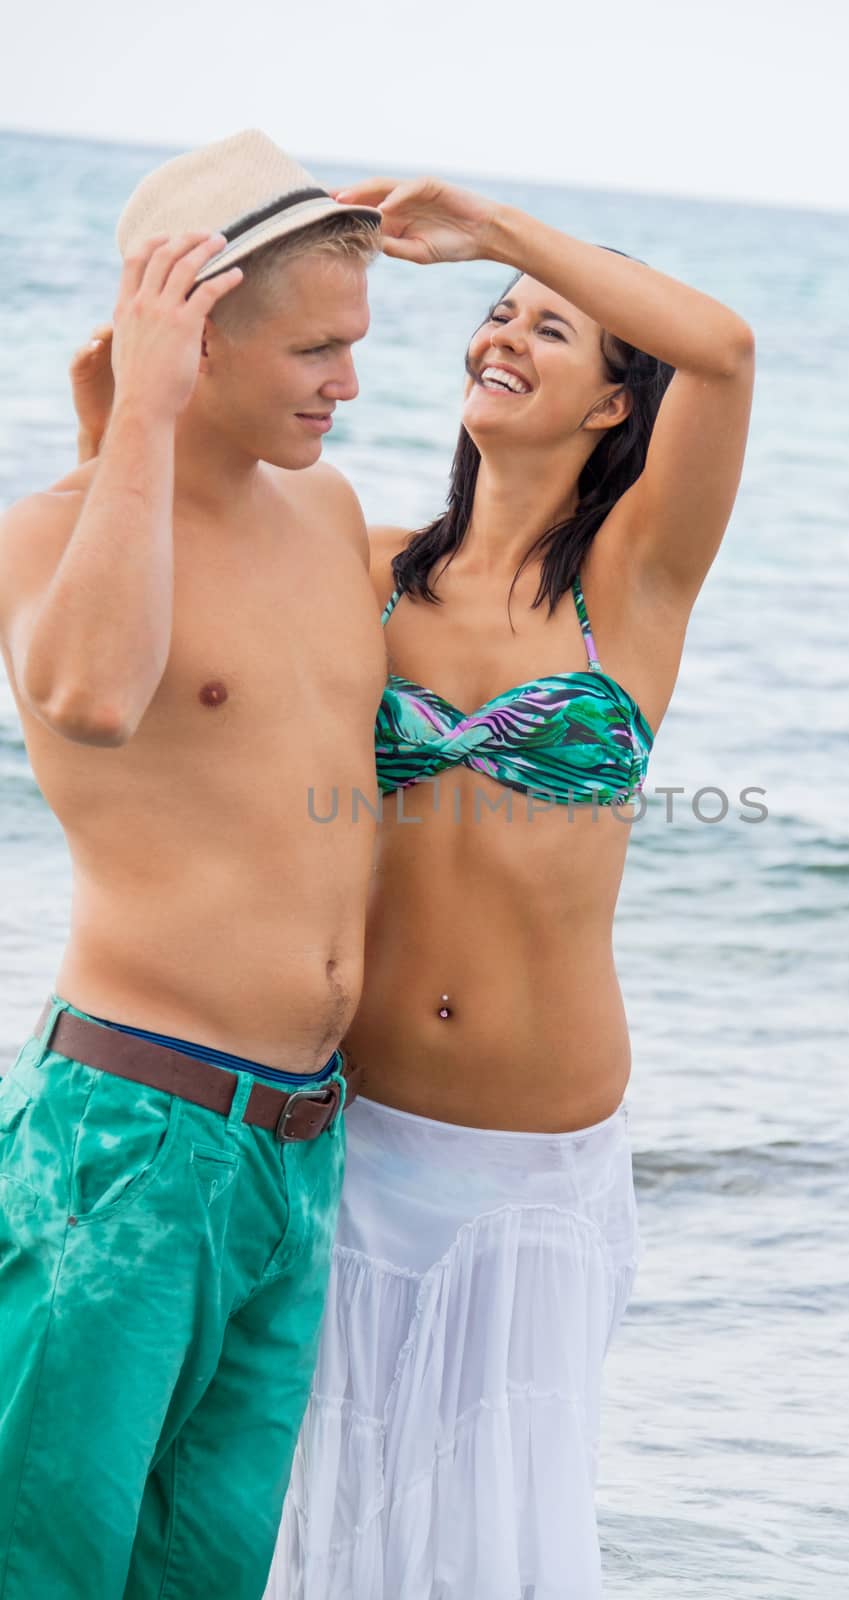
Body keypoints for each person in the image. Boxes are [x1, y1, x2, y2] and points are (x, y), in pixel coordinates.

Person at [72, 174, 755, 1599]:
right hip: (353, 1141)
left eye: (547, 332)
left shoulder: (630, 586)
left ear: (613, 406)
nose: (498, 337)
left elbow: (724, 350)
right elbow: (184, 589)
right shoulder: (368, 568)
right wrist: (123, 403)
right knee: (336, 1536)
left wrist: (502, 233)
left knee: (495, 1543)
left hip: (534, 1173)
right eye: (494, 317)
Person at [0, 130, 383, 1600]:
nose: (346, 384)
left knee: (208, 1572)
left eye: (355, 346)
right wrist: (136, 422)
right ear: (194, 333)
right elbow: (93, 698)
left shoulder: (331, 514)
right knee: (47, 1563)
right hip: (128, 1140)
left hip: (300, 1148)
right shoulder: (52, 536)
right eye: (314, 349)